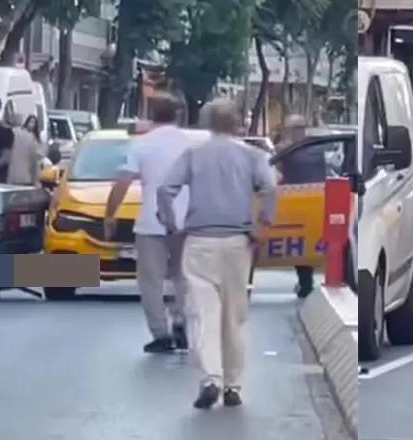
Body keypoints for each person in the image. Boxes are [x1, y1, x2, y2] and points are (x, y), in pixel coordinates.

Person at [158, 99, 278, 410]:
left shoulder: (194, 154)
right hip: (238, 242)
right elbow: (269, 188)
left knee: (204, 313)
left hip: (200, 240)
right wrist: (262, 223)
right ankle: (233, 385)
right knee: (234, 316)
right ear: (236, 124)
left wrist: (172, 223)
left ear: (207, 123)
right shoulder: (252, 155)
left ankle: (212, 376)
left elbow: (165, 189)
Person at [104, 93, 200, 354]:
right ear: (178, 115)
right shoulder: (191, 145)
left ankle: (160, 334)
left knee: (151, 281)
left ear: (150, 114)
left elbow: (122, 183)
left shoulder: (142, 145)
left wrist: (110, 215)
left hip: (151, 222)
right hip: (187, 221)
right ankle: (181, 322)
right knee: (184, 277)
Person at [277, 114, 327, 298]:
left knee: (300, 244)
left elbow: (276, 174)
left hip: (294, 203)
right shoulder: (317, 149)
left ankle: (306, 282)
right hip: (318, 201)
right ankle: (308, 282)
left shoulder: (285, 150)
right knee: (310, 243)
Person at [7, 114, 43, 187]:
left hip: (26, 173)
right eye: (31, 121)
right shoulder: (18, 133)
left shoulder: (35, 138)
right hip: (20, 173)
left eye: (34, 122)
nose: (32, 124)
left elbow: (36, 157)